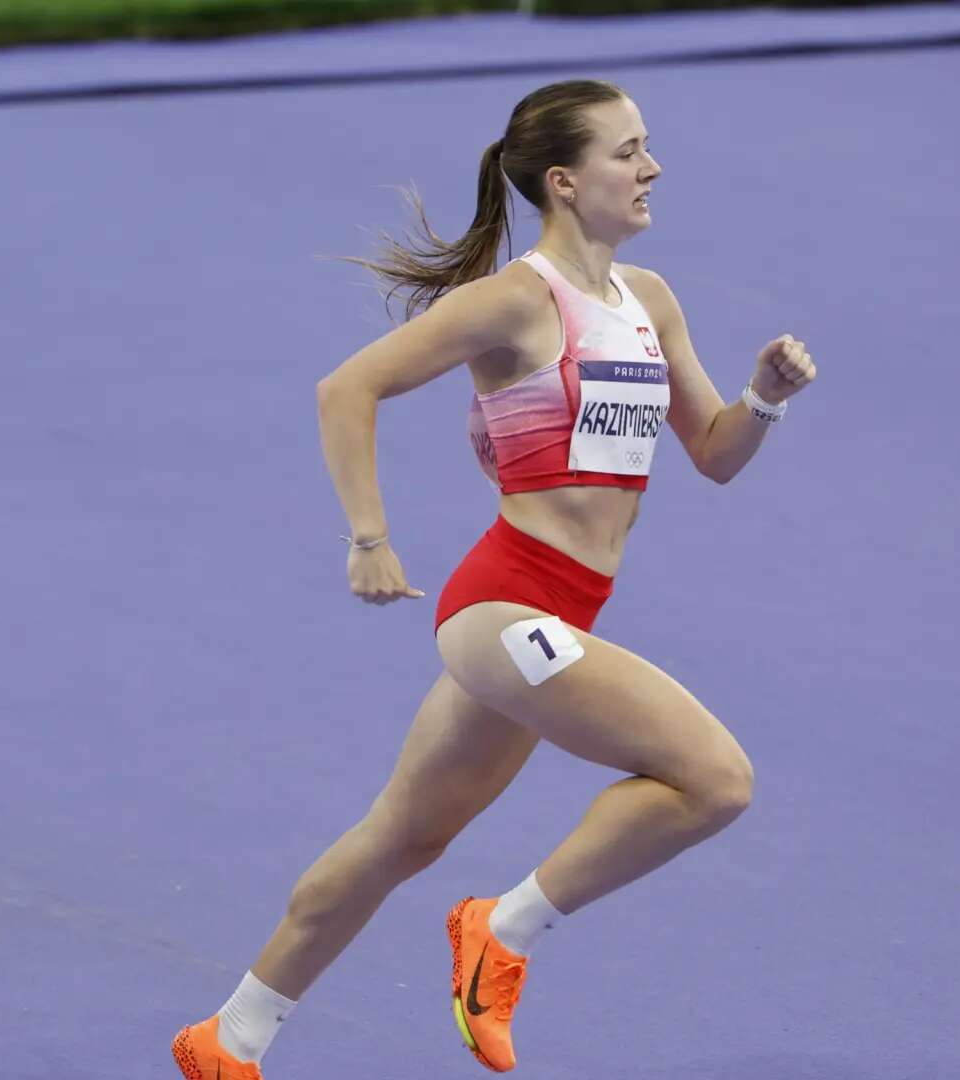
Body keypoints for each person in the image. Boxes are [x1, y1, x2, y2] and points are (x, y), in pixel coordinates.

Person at [172, 78, 816, 1077]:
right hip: (507, 606)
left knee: (403, 835)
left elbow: (718, 454)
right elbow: (349, 387)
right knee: (717, 780)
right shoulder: (517, 302)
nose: (651, 169)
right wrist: (368, 536)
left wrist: (763, 399)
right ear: (564, 181)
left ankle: (230, 1036)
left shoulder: (649, 301)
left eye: (648, 148)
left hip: (562, 611)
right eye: (628, 151)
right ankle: (501, 930)